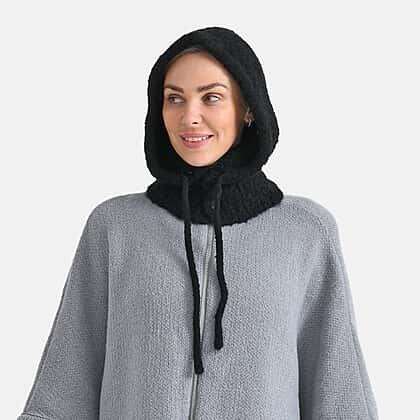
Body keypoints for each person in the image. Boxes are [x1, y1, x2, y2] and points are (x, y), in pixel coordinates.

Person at [17, 26, 379, 419]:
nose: (189, 117)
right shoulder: (114, 227)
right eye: (174, 98)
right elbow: (62, 394)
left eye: (212, 97)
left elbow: (340, 397)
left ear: (248, 108)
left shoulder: (305, 232)